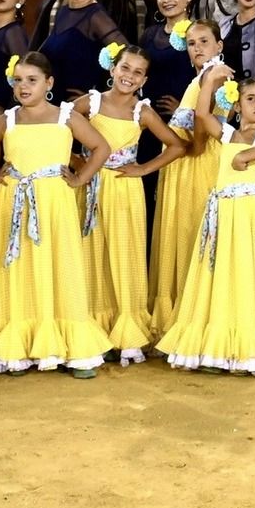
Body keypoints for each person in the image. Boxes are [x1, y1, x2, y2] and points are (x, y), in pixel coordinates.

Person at [156, 67, 255, 377]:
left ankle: (246, 349)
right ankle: (216, 346)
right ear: (237, 106)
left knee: (245, 274)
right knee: (220, 274)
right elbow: (202, 114)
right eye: (250, 99)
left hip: (250, 214)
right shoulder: (228, 133)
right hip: (223, 213)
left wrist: (246, 156)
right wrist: (211, 80)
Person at [0, 53, 113, 377]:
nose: (23, 87)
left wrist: (80, 179)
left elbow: (102, 148)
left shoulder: (66, 116)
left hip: (54, 203)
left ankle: (73, 347)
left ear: (49, 83)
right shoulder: (7, 120)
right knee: (19, 268)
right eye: (18, 80)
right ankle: (19, 346)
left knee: (60, 265)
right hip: (14, 202)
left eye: (32, 80)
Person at [78, 46, 185, 363]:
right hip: (92, 187)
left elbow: (176, 145)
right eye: (125, 68)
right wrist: (76, 161)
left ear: (144, 80)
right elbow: (56, 126)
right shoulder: (90, 102)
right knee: (91, 254)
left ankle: (128, 331)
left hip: (125, 189)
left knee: (126, 256)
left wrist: (143, 168)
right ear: (113, 69)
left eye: (138, 72)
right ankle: (96, 330)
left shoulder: (143, 112)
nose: (129, 76)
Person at [150, 21, 227, 336]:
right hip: (185, 166)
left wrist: (195, 145)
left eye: (204, 41)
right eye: (192, 43)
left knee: (192, 231)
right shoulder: (204, 75)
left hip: (199, 165)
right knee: (185, 230)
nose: (197, 48)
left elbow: (203, 119)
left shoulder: (214, 75)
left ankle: (192, 313)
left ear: (219, 45)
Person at [35, 0, 129, 103]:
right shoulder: (62, 12)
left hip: (76, 110)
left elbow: (128, 57)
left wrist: (98, 95)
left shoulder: (96, 17)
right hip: (52, 104)